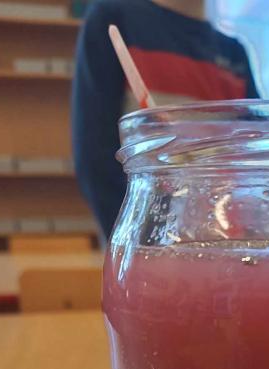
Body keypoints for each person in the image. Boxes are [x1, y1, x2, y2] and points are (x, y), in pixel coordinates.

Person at [72, 0, 259, 240]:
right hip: (149, 245)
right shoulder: (114, 19)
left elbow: (257, 156)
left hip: (226, 243)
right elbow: (95, 158)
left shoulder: (235, 54)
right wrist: (139, 244)